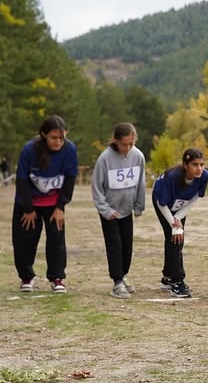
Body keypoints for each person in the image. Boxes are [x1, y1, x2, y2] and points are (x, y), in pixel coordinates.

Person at [13, 115, 78, 293]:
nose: (58, 142)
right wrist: (27, 208)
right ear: (43, 135)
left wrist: (60, 207)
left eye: (61, 138)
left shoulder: (70, 150)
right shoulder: (29, 150)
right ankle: (26, 276)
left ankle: (57, 278)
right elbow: (22, 180)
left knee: (56, 240)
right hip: (29, 202)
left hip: (53, 203)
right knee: (24, 241)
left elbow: (70, 179)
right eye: (53, 138)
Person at [91, 122, 146, 299]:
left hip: (127, 209)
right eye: (124, 144)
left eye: (132, 143)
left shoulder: (137, 156)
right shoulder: (105, 159)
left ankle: (123, 275)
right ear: (115, 140)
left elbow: (140, 183)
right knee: (114, 244)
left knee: (127, 245)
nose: (128, 148)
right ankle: (117, 281)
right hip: (110, 212)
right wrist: (105, 210)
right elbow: (97, 188)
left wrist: (139, 205)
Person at [152, 148, 208, 298]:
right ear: (185, 164)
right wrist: (173, 224)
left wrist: (179, 218)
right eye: (195, 165)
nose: (199, 169)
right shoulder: (172, 178)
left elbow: (195, 197)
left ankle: (167, 277)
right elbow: (161, 203)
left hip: (180, 207)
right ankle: (177, 282)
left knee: (175, 239)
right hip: (163, 204)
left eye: (202, 164)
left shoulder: (204, 176)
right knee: (175, 240)